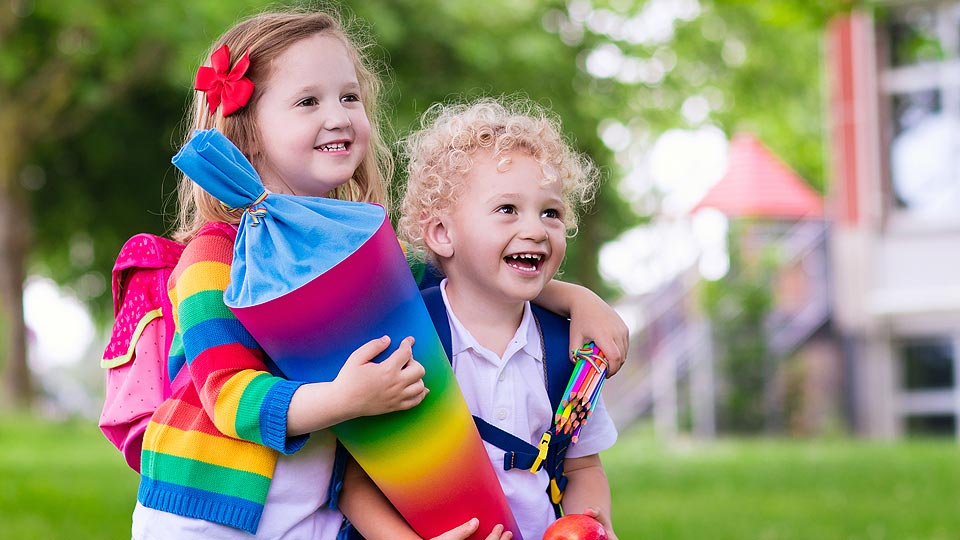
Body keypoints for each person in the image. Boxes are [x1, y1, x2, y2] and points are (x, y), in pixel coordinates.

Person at [133, 7, 627, 540]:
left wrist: (576, 299)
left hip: (313, 515)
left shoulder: (362, 244)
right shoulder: (212, 255)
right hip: (208, 514)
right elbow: (228, 395)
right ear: (246, 132)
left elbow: (467, 275)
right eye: (308, 101)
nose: (339, 115)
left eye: (349, 97)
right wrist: (345, 399)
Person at [398, 97, 619, 540]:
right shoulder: (409, 337)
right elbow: (360, 481)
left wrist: (594, 524)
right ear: (442, 233)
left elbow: (582, 465)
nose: (536, 229)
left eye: (551, 213)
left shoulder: (571, 350)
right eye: (507, 210)